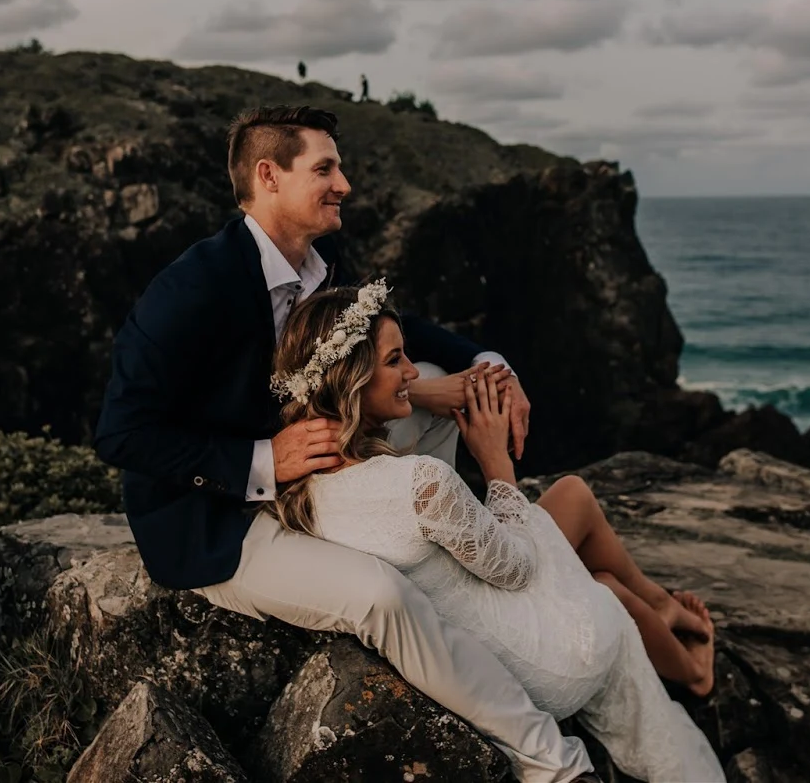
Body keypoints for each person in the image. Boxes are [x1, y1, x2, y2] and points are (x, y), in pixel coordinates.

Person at [94, 105, 597, 782]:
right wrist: (262, 463)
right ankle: (555, 764)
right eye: (326, 169)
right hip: (220, 515)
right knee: (379, 596)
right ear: (269, 176)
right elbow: (122, 432)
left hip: (323, 472)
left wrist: (489, 363)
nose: (346, 185)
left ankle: (454, 572)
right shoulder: (189, 290)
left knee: (451, 392)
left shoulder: (322, 260)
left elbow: (395, 329)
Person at [271, 285, 726, 782]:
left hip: (479, 644)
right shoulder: (420, 482)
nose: (413, 374)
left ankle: (657, 609)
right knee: (602, 587)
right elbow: (517, 568)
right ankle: (692, 667)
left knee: (583, 532)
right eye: (396, 359)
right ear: (351, 379)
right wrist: (495, 462)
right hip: (543, 670)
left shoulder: (293, 489)